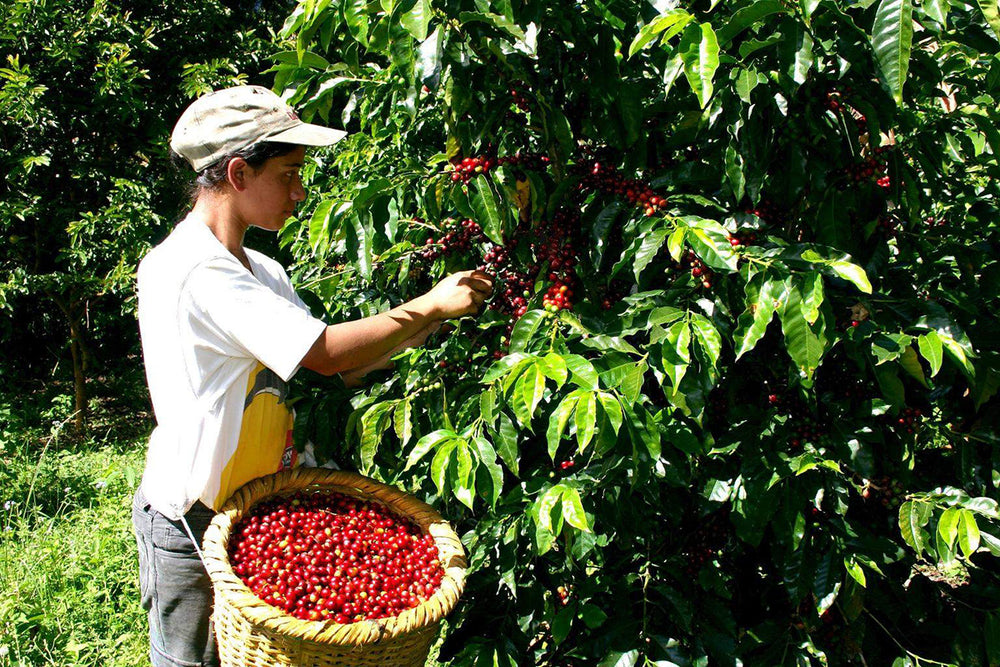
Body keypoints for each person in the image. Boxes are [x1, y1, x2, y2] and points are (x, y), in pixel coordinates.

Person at [131, 85, 493, 667]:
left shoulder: (262, 271)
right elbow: (326, 351)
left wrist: (434, 330)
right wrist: (428, 305)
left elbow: (334, 369)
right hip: (191, 517)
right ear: (239, 173)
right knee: (188, 660)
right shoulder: (194, 270)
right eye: (290, 174)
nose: (300, 193)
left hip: (257, 503)